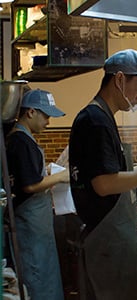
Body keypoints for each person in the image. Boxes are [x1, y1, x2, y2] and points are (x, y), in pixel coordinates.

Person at [68, 49, 137, 300]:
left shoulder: (100, 116)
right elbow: (104, 184)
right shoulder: (96, 120)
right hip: (108, 246)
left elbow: (111, 174)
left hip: (111, 245)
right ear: (119, 80)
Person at [5, 89, 69, 300]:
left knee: (42, 274)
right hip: (30, 226)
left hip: (36, 226)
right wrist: (62, 176)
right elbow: (30, 186)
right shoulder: (21, 141)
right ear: (31, 112)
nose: (48, 122)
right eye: (46, 115)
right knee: (37, 278)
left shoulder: (22, 139)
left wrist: (48, 172)